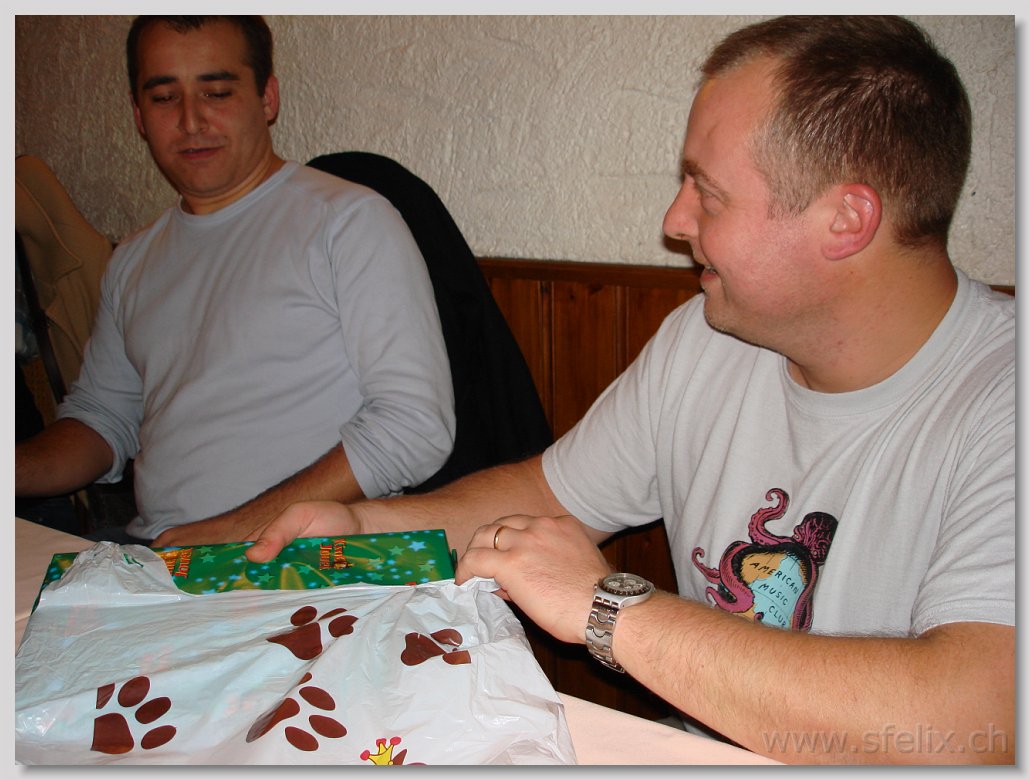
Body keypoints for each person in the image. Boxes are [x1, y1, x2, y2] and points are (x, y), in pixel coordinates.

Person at [244, 15, 1014, 764]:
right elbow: (547, 494)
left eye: (708, 193)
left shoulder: (1002, 396)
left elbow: (975, 723)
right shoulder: (705, 340)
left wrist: (609, 608)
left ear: (846, 219)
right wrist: (362, 527)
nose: (675, 220)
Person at [15, 16, 456, 547]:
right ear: (138, 115)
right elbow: (101, 418)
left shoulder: (348, 221)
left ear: (267, 98)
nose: (191, 120)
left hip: (307, 559)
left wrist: (231, 530)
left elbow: (414, 426)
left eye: (217, 92)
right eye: (164, 98)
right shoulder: (131, 260)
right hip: (159, 553)